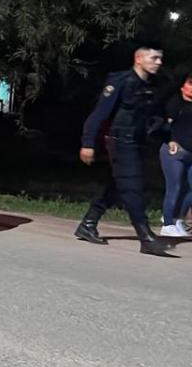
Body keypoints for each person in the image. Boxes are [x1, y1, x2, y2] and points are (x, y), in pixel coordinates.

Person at [74, 45, 173, 256]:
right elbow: (99, 114)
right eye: (154, 58)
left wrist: (168, 134)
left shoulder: (151, 85)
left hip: (137, 142)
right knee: (133, 187)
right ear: (138, 58)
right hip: (120, 142)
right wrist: (88, 143)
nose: (158, 62)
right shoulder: (121, 81)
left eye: (160, 59)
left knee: (117, 185)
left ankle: (88, 224)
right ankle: (145, 237)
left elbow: (151, 116)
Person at [159, 73, 192, 237]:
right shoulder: (175, 103)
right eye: (190, 83)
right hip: (175, 152)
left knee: (189, 189)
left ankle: (177, 218)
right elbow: (165, 125)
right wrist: (170, 140)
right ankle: (167, 223)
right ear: (182, 86)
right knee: (175, 187)